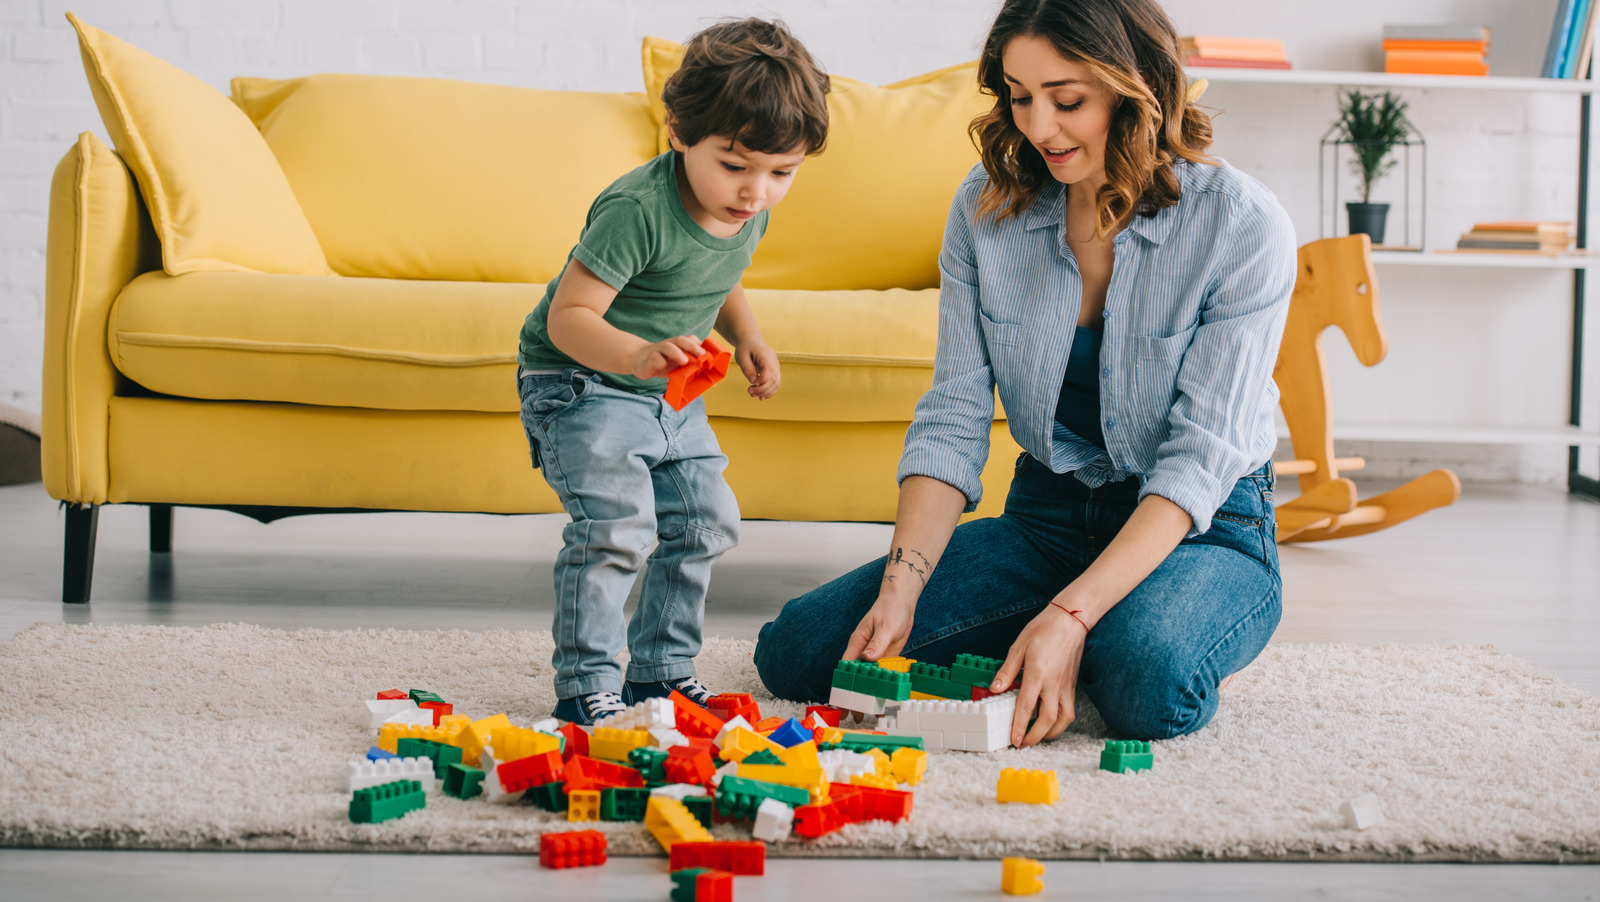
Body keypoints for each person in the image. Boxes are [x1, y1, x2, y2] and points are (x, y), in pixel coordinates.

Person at [754, 0, 1296, 747]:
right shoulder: (985, 211)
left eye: (1067, 99)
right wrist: (903, 583)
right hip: (1047, 519)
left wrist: (1071, 615)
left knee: (1144, 683)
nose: (1039, 127)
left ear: (1135, 89)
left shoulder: (1242, 224)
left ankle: (1125, 627)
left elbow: (1202, 458)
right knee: (803, 651)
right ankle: (1069, 621)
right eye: (1018, 96)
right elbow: (953, 414)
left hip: (1201, 527)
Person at [518, 19, 830, 725]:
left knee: (705, 522)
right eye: (736, 165)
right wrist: (632, 356)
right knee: (617, 529)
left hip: (668, 389)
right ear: (678, 133)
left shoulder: (746, 211)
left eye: (782, 172)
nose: (756, 191)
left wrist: (746, 335)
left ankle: (659, 674)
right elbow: (570, 317)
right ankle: (586, 686)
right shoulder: (638, 211)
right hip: (581, 383)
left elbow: (720, 277)